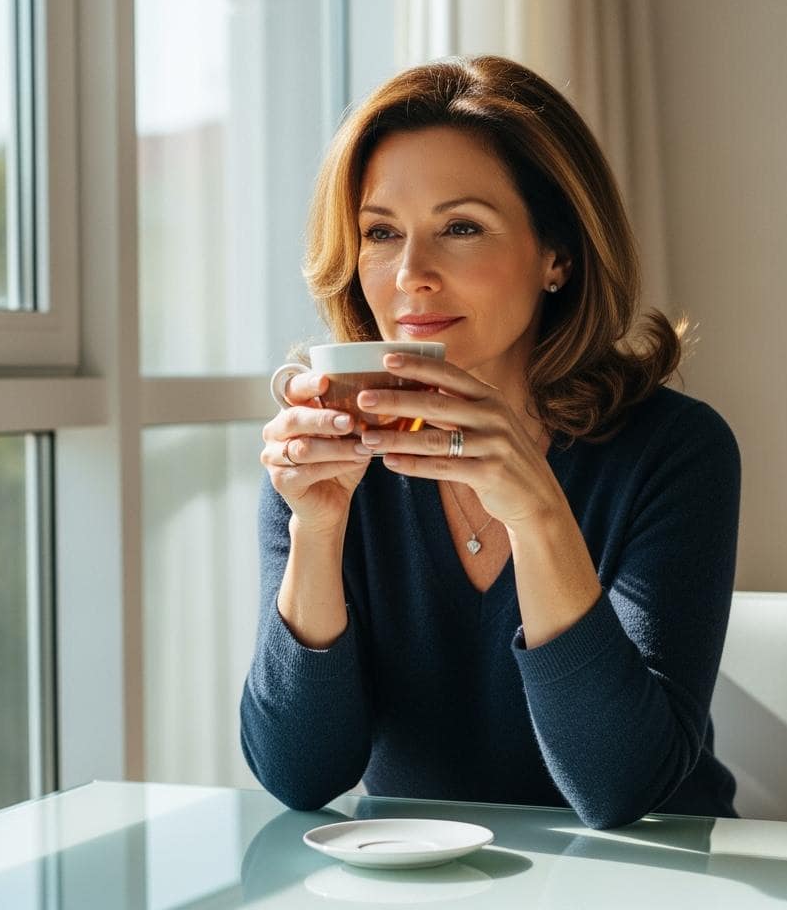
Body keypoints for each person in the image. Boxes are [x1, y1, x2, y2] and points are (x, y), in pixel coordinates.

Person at [239, 55, 740, 830]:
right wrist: (317, 527)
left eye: (461, 227)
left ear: (557, 256)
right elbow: (299, 776)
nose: (411, 274)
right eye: (380, 233)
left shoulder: (676, 451)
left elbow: (623, 787)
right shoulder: (324, 459)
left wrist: (539, 514)